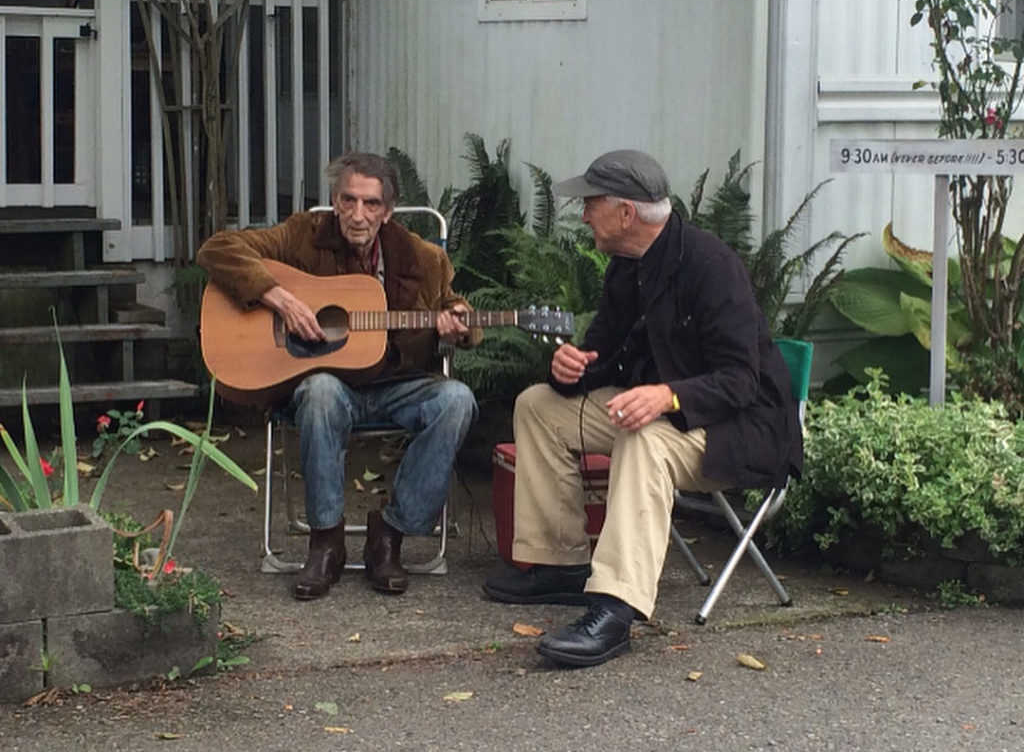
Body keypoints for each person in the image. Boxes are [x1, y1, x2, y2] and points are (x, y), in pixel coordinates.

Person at [483, 149, 802, 667]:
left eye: (591, 203)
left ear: (625, 213)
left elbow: (742, 380)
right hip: (660, 414)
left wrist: (669, 395)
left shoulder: (712, 266)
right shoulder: (625, 268)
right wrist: (572, 367)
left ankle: (615, 608)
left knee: (644, 436)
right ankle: (561, 564)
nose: (583, 214)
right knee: (538, 406)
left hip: (739, 430)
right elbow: (603, 356)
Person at [197, 152, 479, 601]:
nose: (357, 214)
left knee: (457, 400)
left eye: (370, 204)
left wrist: (460, 322)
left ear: (387, 211)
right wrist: (279, 299)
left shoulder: (424, 260)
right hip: (322, 388)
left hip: (396, 386)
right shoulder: (302, 236)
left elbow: (451, 306)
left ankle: (389, 534)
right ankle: (324, 543)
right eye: (348, 200)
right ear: (334, 200)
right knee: (323, 390)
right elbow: (216, 250)